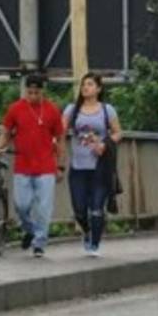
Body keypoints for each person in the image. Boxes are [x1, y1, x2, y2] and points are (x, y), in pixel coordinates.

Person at [0, 74, 65, 258]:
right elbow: (6, 133)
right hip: (23, 166)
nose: (32, 95)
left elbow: (61, 138)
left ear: (42, 91)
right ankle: (30, 230)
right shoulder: (15, 109)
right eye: (29, 92)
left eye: (36, 92)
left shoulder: (52, 110)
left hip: (46, 167)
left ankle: (39, 243)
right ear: (25, 90)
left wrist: (61, 165)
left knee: (43, 208)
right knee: (21, 205)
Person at [63, 72, 122, 257]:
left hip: (99, 167)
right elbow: (60, 131)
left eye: (89, 84)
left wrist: (105, 144)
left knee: (96, 209)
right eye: (83, 85)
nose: (85, 88)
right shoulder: (72, 110)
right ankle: (86, 231)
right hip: (78, 167)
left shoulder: (107, 110)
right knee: (80, 210)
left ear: (98, 88)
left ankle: (95, 241)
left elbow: (118, 133)